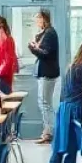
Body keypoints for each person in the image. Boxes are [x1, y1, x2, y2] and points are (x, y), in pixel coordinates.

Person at [28, 8, 60, 143]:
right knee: (43, 103)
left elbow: (46, 53)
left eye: (38, 18)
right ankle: (48, 131)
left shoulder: (50, 33)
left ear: (44, 19)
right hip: (44, 72)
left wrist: (33, 49)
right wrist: (36, 45)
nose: (36, 21)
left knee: (45, 103)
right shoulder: (46, 33)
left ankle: (50, 133)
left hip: (48, 72)